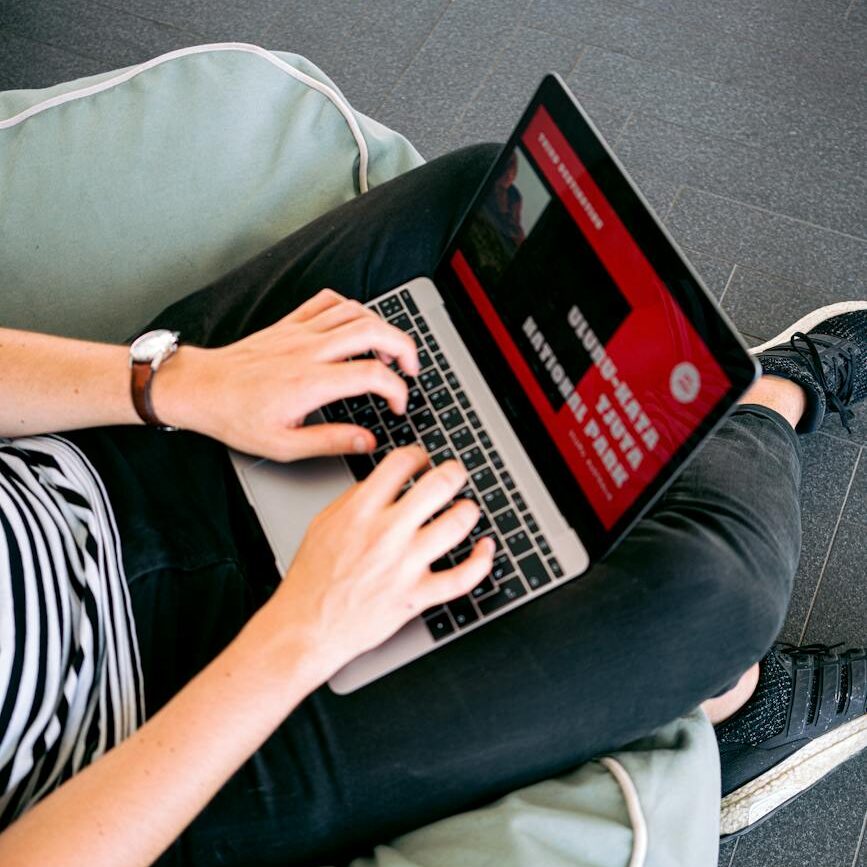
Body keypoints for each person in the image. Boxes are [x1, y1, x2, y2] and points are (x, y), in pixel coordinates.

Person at [0, 144, 864, 867]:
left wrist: (174, 383)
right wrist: (302, 630)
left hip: (104, 464)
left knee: (491, 204)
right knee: (711, 587)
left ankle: (682, 642)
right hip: (159, 739)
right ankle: (764, 408)